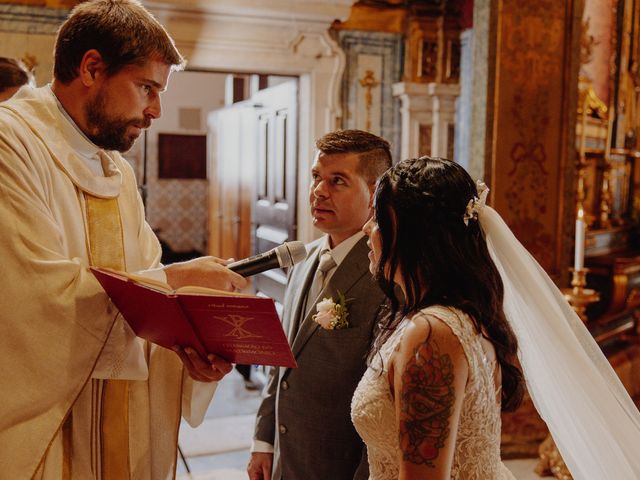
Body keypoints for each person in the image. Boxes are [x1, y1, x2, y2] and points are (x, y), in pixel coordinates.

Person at [0, 1, 247, 479]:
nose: (155, 109)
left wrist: (191, 353)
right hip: (46, 436)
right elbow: (27, 300)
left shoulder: (116, 171)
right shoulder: (12, 144)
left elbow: (147, 311)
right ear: (92, 67)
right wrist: (172, 277)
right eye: (146, 88)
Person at [352, 156, 640, 479]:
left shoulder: (432, 334)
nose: (367, 228)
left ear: (412, 233)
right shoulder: (457, 316)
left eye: (377, 217)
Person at [248, 130, 392, 480]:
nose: (319, 191)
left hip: (340, 463)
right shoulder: (301, 257)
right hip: (287, 456)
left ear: (373, 193)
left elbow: (385, 400)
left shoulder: (387, 275)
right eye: (316, 177)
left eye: (337, 181)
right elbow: (281, 359)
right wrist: (264, 440)